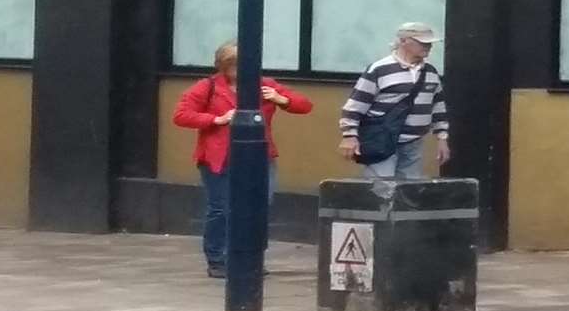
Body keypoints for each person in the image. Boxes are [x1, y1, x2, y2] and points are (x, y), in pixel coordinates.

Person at [171, 42, 313, 278]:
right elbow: (181, 115)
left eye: (244, 65)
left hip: (259, 156)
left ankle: (252, 256)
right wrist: (216, 119)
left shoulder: (266, 85)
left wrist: (281, 99)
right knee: (221, 209)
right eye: (233, 66)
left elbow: (305, 106)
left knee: (259, 207)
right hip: (218, 157)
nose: (240, 70)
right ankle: (218, 259)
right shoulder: (207, 87)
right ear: (223, 67)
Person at [338, 23, 449, 179]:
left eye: (429, 43)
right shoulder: (379, 69)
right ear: (403, 41)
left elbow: (438, 106)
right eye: (422, 42)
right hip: (381, 139)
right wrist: (349, 136)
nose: (428, 46)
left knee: (409, 191)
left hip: (414, 142)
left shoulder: (430, 71)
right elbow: (355, 105)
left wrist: (442, 138)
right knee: (381, 188)